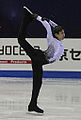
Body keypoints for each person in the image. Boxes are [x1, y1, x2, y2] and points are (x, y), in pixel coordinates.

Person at [18, 6, 65, 113]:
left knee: (37, 82)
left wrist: (38, 17)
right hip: (39, 58)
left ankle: (32, 105)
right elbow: (55, 56)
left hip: (39, 57)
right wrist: (48, 61)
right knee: (21, 40)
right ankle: (27, 18)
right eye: (61, 33)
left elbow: (50, 24)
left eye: (63, 32)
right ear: (56, 34)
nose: (63, 35)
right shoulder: (57, 44)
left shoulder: (54, 33)